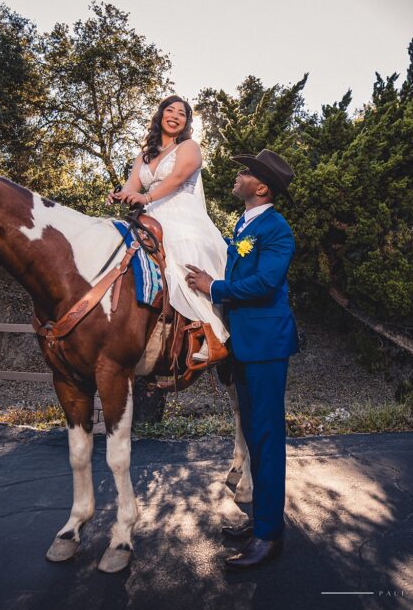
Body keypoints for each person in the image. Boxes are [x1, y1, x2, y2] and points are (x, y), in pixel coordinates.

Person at [184, 148, 299, 571]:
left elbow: (267, 283)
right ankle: (261, 521)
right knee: (253, 437)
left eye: (245, 172)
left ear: (262, 187)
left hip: (267, 345)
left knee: (267, 439)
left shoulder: (277, 229)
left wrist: (213, 287)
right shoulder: (243, 223)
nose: (238, 174)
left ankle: (269, 537)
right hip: (245, 345)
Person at [108, 95, 229, 360]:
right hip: (150, 214)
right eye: (169, 110)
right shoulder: (144, 155)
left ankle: (212, 334)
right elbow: (132, 186)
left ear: (186, 122)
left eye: (182, 113)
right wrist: (119, 194)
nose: (174, 115)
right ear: (161, 114)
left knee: (183, 259)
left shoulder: (189, 147)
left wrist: (147, 197)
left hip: (181, 212)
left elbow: (176, 178)